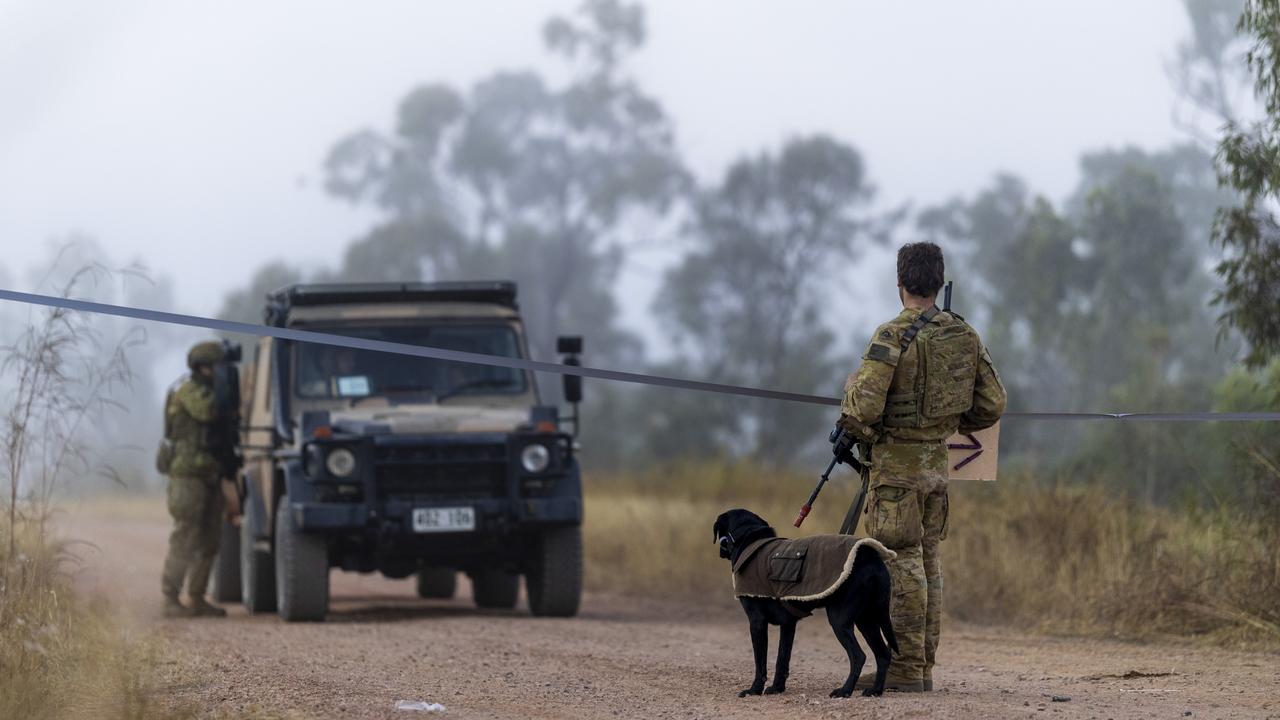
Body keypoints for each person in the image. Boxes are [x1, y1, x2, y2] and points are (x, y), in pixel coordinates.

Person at [837, 242, 1006, 692]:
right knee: (929, 561)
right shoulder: (964, 335)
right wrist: (945, 423)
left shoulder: (891, 335)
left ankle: (906, 670)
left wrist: (849, 391)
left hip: (895, 473)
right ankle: (923, 668)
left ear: (900, 283)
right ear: (939, 281)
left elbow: (864, 409)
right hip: (936, 468)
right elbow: (992, 403)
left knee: (900, 563)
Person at [159, 341, 235, 618]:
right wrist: (225, 391)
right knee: (186, 536)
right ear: (203, 366)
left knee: (210, 539)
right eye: (216, 367)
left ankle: (197, 597)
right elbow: (208, 412)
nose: (218, 372)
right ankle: (170, 597)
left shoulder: (209, 390)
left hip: (209, 474)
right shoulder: (187, 391)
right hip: (187, 475)